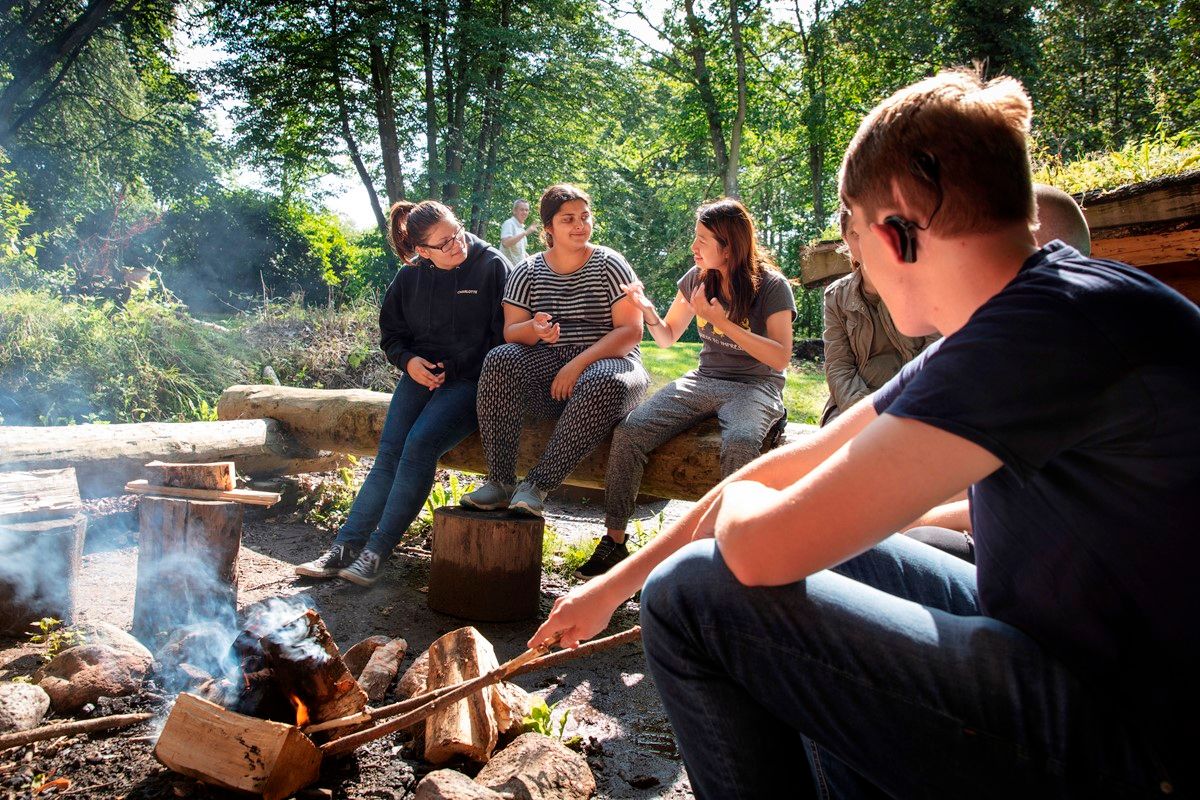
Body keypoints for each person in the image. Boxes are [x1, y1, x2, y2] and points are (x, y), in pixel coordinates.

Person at [531, 70, 1199, 798]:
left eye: (855, 239)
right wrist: (612, 586)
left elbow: (758, 543)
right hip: (1057, 638)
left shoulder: (1038, 334)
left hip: (1134, 731)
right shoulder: (1026, 312)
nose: (860, 266)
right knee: (821, 554)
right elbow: (797, 466)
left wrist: (764, 511)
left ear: (892, 232)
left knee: (692, 594)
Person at [574, 198, 796, 578]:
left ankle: (724, 554)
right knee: (630, 431)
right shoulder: (696, 278)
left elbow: (780, 357)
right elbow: (667, 337)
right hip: (703, 379)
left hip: (755, 385)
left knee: (741, 443)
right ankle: (614, 540)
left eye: (702, 240)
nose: (694, 247)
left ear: (728, 246)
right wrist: (647, 310)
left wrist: (722, 323)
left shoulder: (771, 287)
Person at [294, 200, 508, 587]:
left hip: (473, 381)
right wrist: (409, 362)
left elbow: (503, 338)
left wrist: (452, 370)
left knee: (419, 446)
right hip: (419, 375)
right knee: (388, 452)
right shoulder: (410, 277)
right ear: (422, 251)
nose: (457, 244)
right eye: (443, 244)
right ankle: (344, 545)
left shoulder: (491, 266)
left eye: (456, 233)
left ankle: (377, 551)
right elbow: (392, 336)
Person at [460, 184, 650, 517]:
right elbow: (511, 332)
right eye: (568, 219)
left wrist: (576, 365)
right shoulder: (528, 271)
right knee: (499, 359)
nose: (580, 225)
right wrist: (534, 329)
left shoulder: (610, 264)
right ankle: (500, 482)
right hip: (551, 372)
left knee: (604, 380)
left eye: (585, 217)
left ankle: (536, 486)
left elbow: (631, 331)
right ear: (548, 227)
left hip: (613, 366)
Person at [821, 208, 938, 425]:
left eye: (868, 233)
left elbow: (935, 356)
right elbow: (838, 367)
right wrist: (867, 413)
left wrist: (901, 410)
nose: (864, 243)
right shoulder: (837, 296)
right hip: (853, 405)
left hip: (916, 402)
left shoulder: (922, 287)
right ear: (845, 238)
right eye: (854, 235)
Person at [499, 199, 538, 266]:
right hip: (506, 270)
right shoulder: (509, 223)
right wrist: (525, 233)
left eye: (526, 210)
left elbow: (521, 252)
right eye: (522, 210)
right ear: (514, 211)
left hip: (516, 270)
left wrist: (533, 260)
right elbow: (505, 243)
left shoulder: (521, 228)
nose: (524, 212)